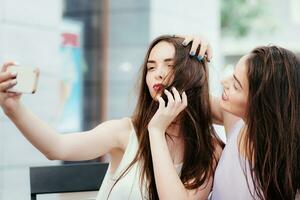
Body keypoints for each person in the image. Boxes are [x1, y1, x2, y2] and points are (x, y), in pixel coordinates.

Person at [0, 35, 223, 200]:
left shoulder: (209, 150)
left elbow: (240, 113)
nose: (158, 73)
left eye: (170, 64)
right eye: (151, 67)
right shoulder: (125, 132)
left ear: (191, 74)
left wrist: (157, 130)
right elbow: (57, 147)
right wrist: (12, 108)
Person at [186, 43, 300, 199]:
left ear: (259, 104)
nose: (224, 82)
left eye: (236, 85)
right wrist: (188, 46)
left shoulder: (285, 172)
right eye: (232, 75)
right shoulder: (237, 122)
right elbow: (188, 97)